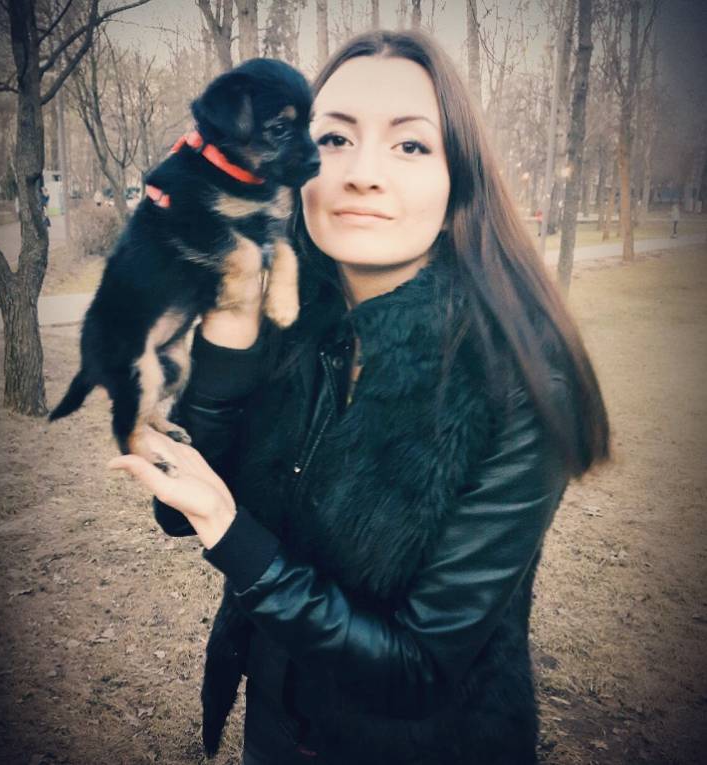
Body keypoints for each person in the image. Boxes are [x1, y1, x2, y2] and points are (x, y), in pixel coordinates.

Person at [109, 30, 609, 765]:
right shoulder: (290, 318)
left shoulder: (521, 383)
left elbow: (418, 668)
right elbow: (179, 513)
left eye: (410, 145)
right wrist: (230, 335)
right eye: (334, 139)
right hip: (273, 728)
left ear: (458, 181)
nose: (362, 174)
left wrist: (230, 527)